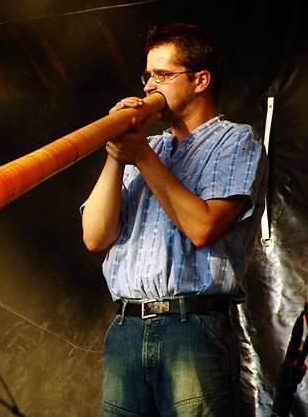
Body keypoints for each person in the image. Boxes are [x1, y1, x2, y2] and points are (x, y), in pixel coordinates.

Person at [81, 22, 268, 417]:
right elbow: (95, 236)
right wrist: (117, 155)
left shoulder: (236, 140)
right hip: (127, 328)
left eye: (163, 75)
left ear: (201, 80)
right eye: (147, 75)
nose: (149, 86)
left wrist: (143, 157)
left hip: (192, 327)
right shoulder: (144, 148)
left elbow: (203, 227)